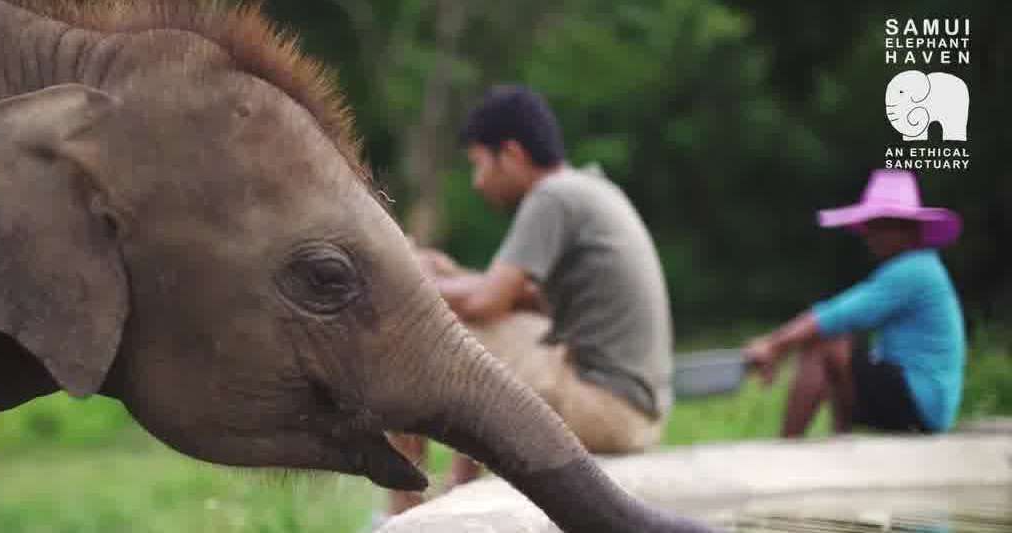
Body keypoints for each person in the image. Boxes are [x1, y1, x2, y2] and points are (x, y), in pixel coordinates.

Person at [386, 85, 675, 515]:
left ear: (512, 153)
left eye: (479, 164)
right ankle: (457, 489)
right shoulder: (587, 187)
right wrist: (449, 274)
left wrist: (404, 277)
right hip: (638, 412)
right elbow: (525, 299)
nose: (477, 181)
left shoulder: (550, 197)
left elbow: (486, 303)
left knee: (416, 338)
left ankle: (405, 513)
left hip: (607, 410)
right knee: (490, 339)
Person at [744, 169, 966, 438]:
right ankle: (842, 442)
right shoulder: (916, 267)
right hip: (916, 399)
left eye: (882, 226)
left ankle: (786, 451)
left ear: (909, 229)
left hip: (921, 404)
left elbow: (836, 315)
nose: (871, 236)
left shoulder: (913, 271)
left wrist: (773, 345)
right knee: (840, 346)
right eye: (870, 226)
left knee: (826, 343)